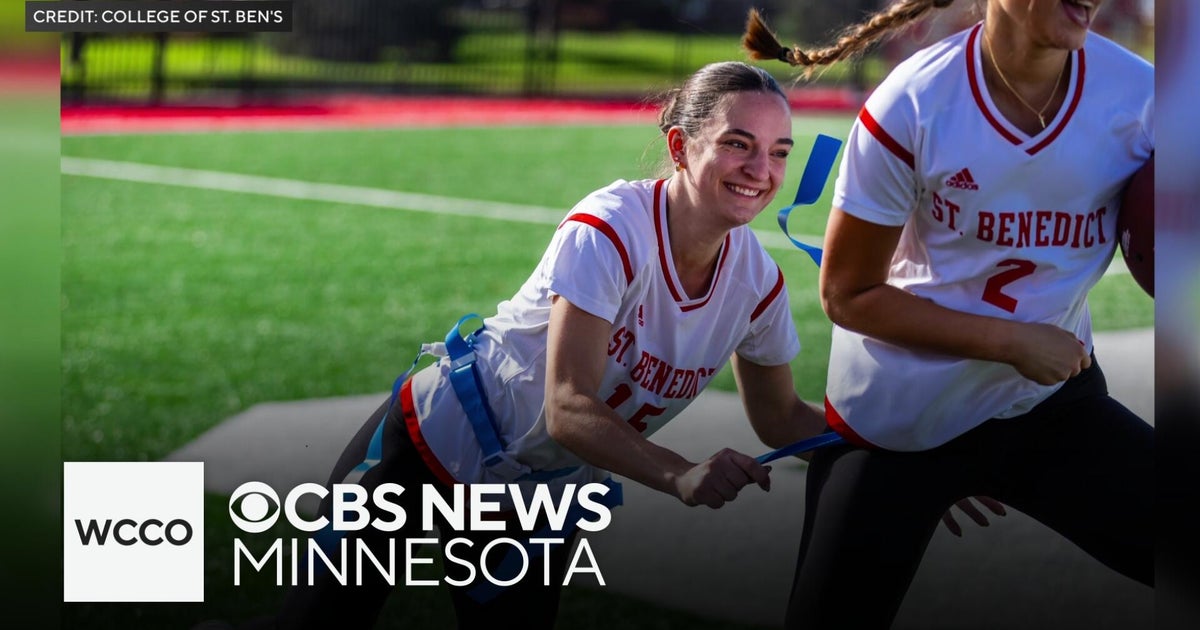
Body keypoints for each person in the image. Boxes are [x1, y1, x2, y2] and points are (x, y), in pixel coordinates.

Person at [224, 60, 829, 630]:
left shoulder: (758, 283)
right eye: (737, 143)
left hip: (539, 492)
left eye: (779, 153)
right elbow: (565, 408)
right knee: (318, 625)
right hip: (440, 438)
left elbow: (780, 418)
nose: (761, 171)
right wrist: (680, 473)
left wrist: (882, 439)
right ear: (679, 147)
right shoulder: (611, 228)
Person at [743, 1, 1153, 627]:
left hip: (1044, 404)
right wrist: (1011, 341)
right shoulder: (912, 103)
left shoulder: (1145, 97)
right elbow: (847, 295)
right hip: (901, 419)